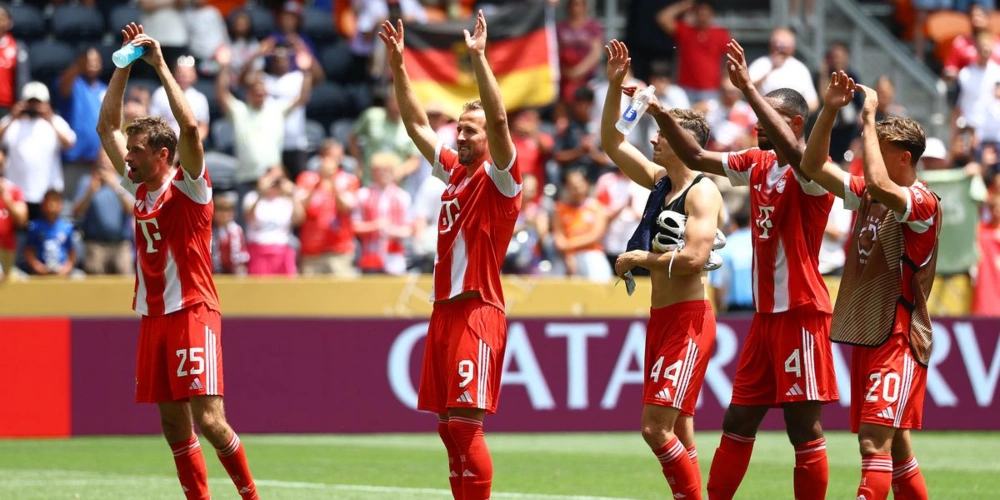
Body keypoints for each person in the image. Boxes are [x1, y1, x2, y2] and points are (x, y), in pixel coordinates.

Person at [655, 40, 838, 500]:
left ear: (794, 124)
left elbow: (799, 155)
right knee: (738, 418)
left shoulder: (814, 171)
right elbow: (697, 158)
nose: (757, 124)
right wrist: (660, 114)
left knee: (802, 427)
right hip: (765, 318)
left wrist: (749, 90)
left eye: (767, 117)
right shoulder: (757, 163)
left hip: (800, 312)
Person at [96, 23, 258, 500]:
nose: (128, 159)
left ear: (162, 155)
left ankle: (251, 496)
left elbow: (189, 128)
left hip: (192, 309)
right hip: (154, 316)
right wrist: (124, 65)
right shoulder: (139, 188)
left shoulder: (189, 188)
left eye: (137, 152)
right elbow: (106, 128)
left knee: (209, 419)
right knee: (172, 423)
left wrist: (160, 64)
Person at [380, 11, 522, 500]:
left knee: (465, 427)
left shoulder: (500, 179)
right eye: (460, 129)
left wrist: (479, 58)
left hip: (477, 309)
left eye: (470, 132)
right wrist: (399, 66)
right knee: (447, 429)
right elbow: (417, 126)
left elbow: (499, 120)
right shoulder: (456, 173)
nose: (460, 137)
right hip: (444, 311)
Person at [800, 71, 939, 500]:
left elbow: (878, 181)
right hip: (870, 332)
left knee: (873, 443)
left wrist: (868, 118)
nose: (866, 152)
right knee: (896, 448)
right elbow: (812, 167)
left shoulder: (921, 203)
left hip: (899, 336)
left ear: (904, 158)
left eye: (879, 147)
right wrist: (829, 110)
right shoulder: (871, 194)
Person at [601, 39, 725, 500]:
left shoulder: (702, 191)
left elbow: (692, 260)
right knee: (681, 427)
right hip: (663, 319)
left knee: (655, 428)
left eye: (661, 135)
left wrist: (642, 259)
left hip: (689, 320)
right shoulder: (661, 182)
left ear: (681, 144)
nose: (653, 140)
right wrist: (614, 86)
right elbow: (612, 142)